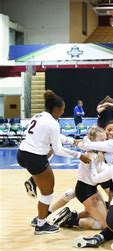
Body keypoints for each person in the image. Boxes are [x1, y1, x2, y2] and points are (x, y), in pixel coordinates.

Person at [16, 90, 91, 234]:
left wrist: (72, 141)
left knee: (48, 152)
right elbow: (59, 150)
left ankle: (33, 180)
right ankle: (41, 225)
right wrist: (79, 155)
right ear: (56, 109)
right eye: (62, 110)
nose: (63, 113)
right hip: (35, 159)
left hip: (22, 154)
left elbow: (54, 137)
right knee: (47, 193)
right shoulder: (53, 123)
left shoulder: (38, 116)